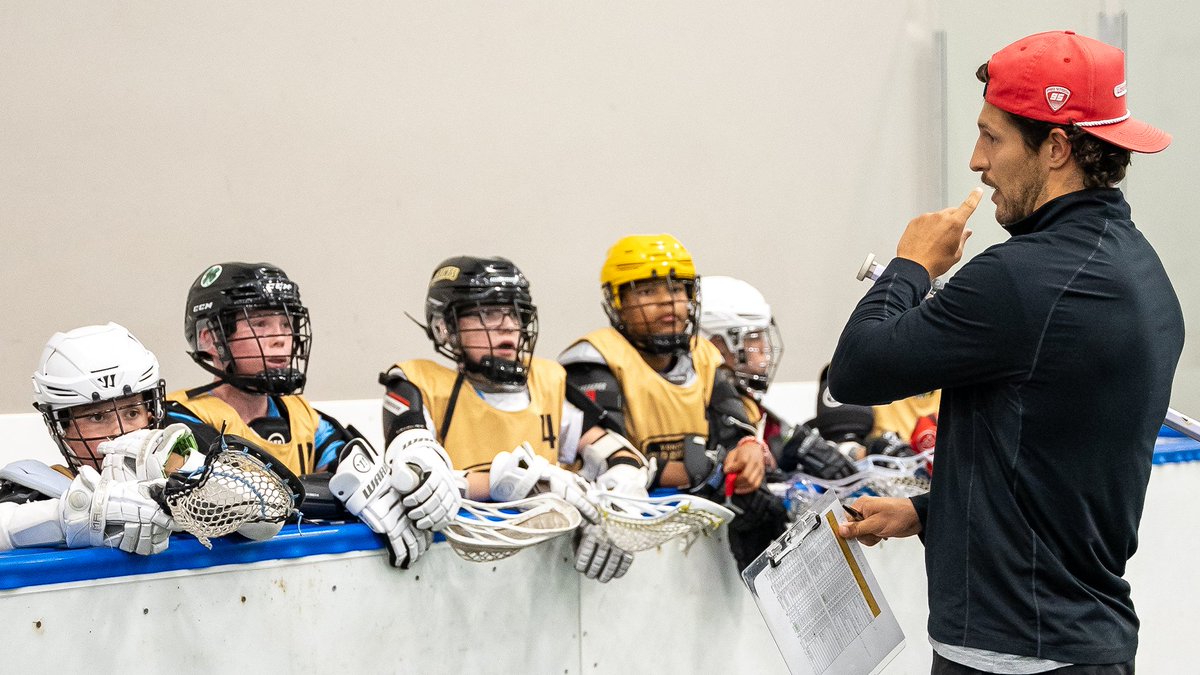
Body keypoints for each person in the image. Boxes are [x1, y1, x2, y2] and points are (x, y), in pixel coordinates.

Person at [830, 31, 1182, 673]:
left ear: (1055, 148)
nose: (975, 160)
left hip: (1015, 655)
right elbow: (1060, 472)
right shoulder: (1138, 270)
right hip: (1073, 644)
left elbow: (856, 369)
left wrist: (910, 264)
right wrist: (927, 512)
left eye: (993, 137)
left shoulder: (1024, 279)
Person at [378, 256, 647, 582]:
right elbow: (415, 480)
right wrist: (503, 482)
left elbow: (614, 451)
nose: (508, 324)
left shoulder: (548, 381)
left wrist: (617, 506)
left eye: (515, 312)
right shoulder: (416, 384)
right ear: (445, 327)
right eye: (489, 313)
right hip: (450, 572)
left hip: (545, 574)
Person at [561, 235, 788, 571]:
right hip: (629, 528)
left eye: (678, 289)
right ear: (619, 301)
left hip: (690, 535)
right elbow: (610, 463)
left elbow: (734, 428)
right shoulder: (593, 361)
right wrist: (702, 470)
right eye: (648, 290)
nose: (669, 302)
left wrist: (748, 449)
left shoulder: (704, 355)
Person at [0, 323, 176, 555]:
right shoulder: (32, 493)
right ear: (64, 430)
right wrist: (73, 513)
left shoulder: (182, 473)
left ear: (152, 415)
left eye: (132, 413)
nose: (121, 431)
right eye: (97, 417)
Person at [165, 262, 353, 476]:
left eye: (286, 324)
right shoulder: (180, 419)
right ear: (210, 338)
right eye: (260, 324)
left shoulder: (303, 416)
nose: (281, 338)